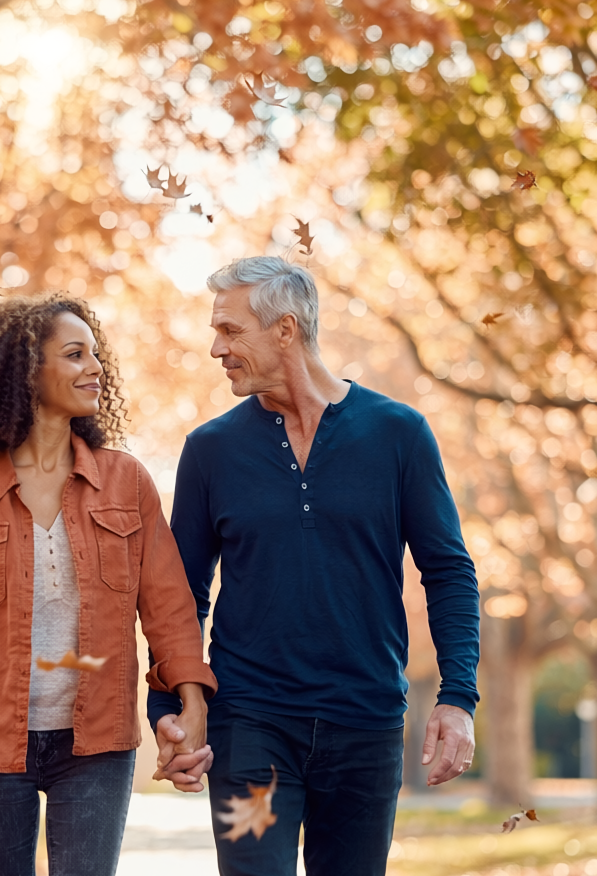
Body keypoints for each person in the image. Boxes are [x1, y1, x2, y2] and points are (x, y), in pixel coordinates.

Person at [148, 257, 481, 876]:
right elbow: (179, 593)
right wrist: (171, 705)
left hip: (367, 718)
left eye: (230, 331)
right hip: (251, 721)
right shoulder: (210, 450)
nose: (215, 348)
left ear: (285, 329)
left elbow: (449, 571)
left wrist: (458, 697)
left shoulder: (399, 434)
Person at [0, 292, 217, 876]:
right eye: (75, 354)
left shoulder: (126, 481)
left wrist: (192, 702)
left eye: (95, 355)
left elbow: (169, 608)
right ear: (24, 371)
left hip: (96, 744)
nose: (95, 368)